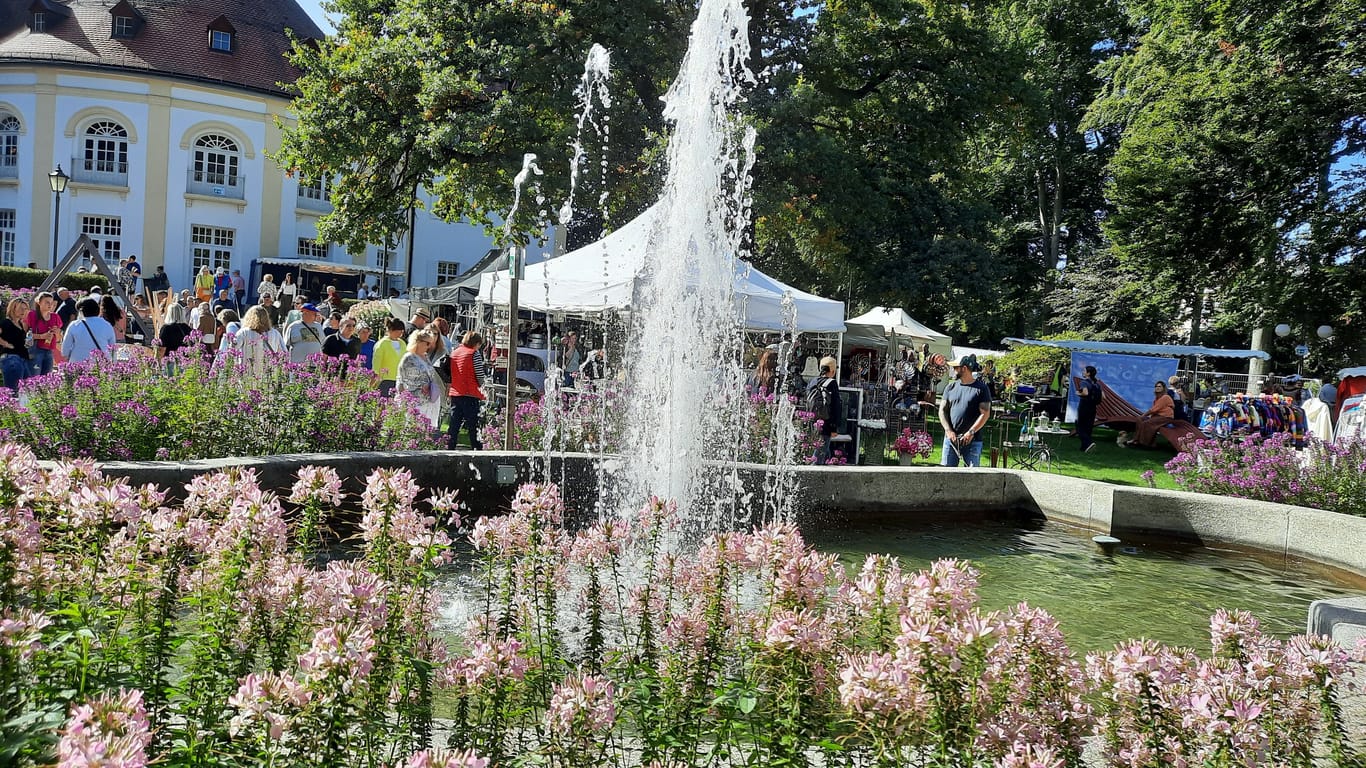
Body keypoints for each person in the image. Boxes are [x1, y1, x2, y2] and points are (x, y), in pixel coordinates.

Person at [938, 354, 991, 467]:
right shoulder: (950, 387)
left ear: (964, 368)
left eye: (956, 367)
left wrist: (971, 432)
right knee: (946, 476)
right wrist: (948, 431)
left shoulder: (981, 389)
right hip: (950, 440)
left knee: (971, 477)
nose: (953, 370)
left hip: (973, 441)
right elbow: (942, 411)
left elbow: (985, 414)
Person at [397, 330, 445, 428]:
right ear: (418, 342)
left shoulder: (425, 356)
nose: (429, 347)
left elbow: (430, 374)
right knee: (413, 430)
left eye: (430, 344)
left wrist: (431, 386)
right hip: (414, 402)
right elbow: (406, 380)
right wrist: (423, 386)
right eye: (427, 343)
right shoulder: (409, 358)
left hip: (428, 401)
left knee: (426, 432)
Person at [448, 330, 487, 450]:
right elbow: (479, 375)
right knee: (473, 424)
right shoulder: (474, 354)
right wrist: (482, 386)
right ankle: (476, 448)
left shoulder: (454, 353)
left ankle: (449, 447)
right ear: (476, 343)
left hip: (456, 391)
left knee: (454, 423)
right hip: (470, 392)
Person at [233, 305, 285, 378]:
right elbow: (284, 353)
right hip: (269, 374)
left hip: (247, 373)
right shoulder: (275, 333)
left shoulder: (243, 333)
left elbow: (232, 350)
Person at [809, 356, 844, 464]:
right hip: (827, 424)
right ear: (832, 371)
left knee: (824, 452)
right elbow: (836, 406)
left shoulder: (812, 382)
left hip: (812, 422)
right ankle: (813, 476)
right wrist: (834, 428)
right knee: (819, 456)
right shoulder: (832, 383)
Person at [62, 298, 117, 364]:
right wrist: (113, 362)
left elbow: (66, 347)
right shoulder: (107, 325)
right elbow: (112, 347)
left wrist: (67, 356)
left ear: (81, 312)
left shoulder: (74, 325)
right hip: (100, 363)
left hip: (78, 361)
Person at [1127, 380, 1175, 448]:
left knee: (1146, 423)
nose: (1157, 388)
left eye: (1159, 386)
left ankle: (1144, 443)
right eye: (1156, 386)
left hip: (1165, 418)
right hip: (1157, 417)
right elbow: (1154, 410)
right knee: (1140, 420)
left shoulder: (1165, 397)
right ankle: (1137, 440)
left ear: (1163, 388)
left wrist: (1143, 415)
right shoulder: (1157, 398)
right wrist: (1142, 417)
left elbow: (1153, 410)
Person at [26, 291, 62, 376]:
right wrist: (41, 336)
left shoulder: (55, 317)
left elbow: (59, 338)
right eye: (47, 302)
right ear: (39, 302)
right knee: (34, 377)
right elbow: (24, 335)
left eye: (51, 302)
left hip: (49, 350)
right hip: (35, 349)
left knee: (46, 378)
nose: (50, 305)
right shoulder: (31, 315)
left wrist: (57, 333)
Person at [0, 298, 32, 390]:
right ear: (13, 308)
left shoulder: (20, 323)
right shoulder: (6, 322)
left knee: (28, 389)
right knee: (14, 390)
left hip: (22, 358)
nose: (23, 311)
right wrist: (6, 344)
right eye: (20, 308)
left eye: (25, 309)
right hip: (11, 358)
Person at [372, 317, 407, 396]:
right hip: (385, 380)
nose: (401, 333)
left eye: (401, 330)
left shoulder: (403, 343)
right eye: (398, 330)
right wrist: (374, 380)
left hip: (400, 379)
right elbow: (376, 364)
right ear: (391, 330)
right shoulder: (381, 344)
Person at [1075, 365, 1102, 453]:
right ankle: (1084, 448)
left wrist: (1078, 393)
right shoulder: (1097, 384)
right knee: (1088, 427)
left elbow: (1085, 393)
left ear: (1088, 373)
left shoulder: (1084, 382)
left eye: (1084, 371)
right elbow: (1103, 397)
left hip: (1084, 405)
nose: (1083, 372)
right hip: (1093, 406)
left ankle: (1089, 442)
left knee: (1079, 427)